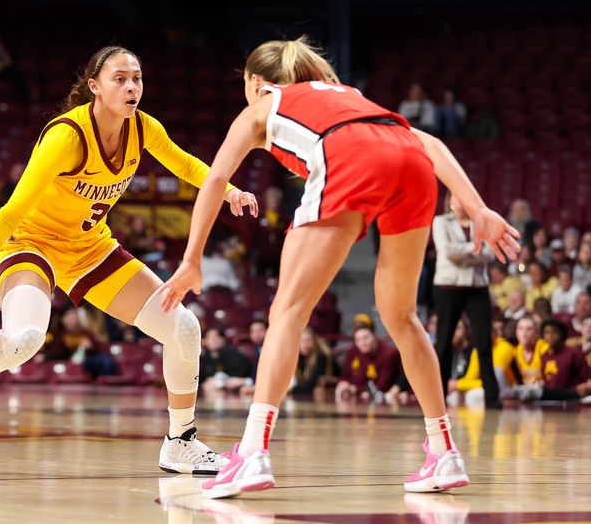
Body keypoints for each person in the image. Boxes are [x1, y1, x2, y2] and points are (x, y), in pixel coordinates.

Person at [159, 37, 520, 498]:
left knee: (287, 313)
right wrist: (479, 209)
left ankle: (252, 452)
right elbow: (425, 142)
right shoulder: (343, 94)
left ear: (255, 82)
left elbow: (214, 179)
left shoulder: (263, 105)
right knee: (402, 317)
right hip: (410, 163)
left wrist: (192, 259)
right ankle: (444, 451)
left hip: (350, 159)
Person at [0, 46, 258, 475]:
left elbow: (185, 165)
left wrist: (229, 191)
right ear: (94, 87)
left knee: (184, 327)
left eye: (137, 78)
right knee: (24, 339)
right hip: (32, 244)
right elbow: (11, 210)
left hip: (90, 248)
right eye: (120, 79)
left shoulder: (142, 127)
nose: (132, 87)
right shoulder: (67, 137)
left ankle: (181, 441)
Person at [431, 190, 498, 407]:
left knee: (484, 339)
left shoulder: (482, 222)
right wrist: (475, 251)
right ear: (449, 201)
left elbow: (490, 253)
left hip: (477, 286)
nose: (458, 199)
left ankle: (492, 396)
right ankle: (437, 395)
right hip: (448, 286)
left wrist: (466, 253)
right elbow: (447, 251)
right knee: (444, 341)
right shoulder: (440, 222)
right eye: (455, 195)